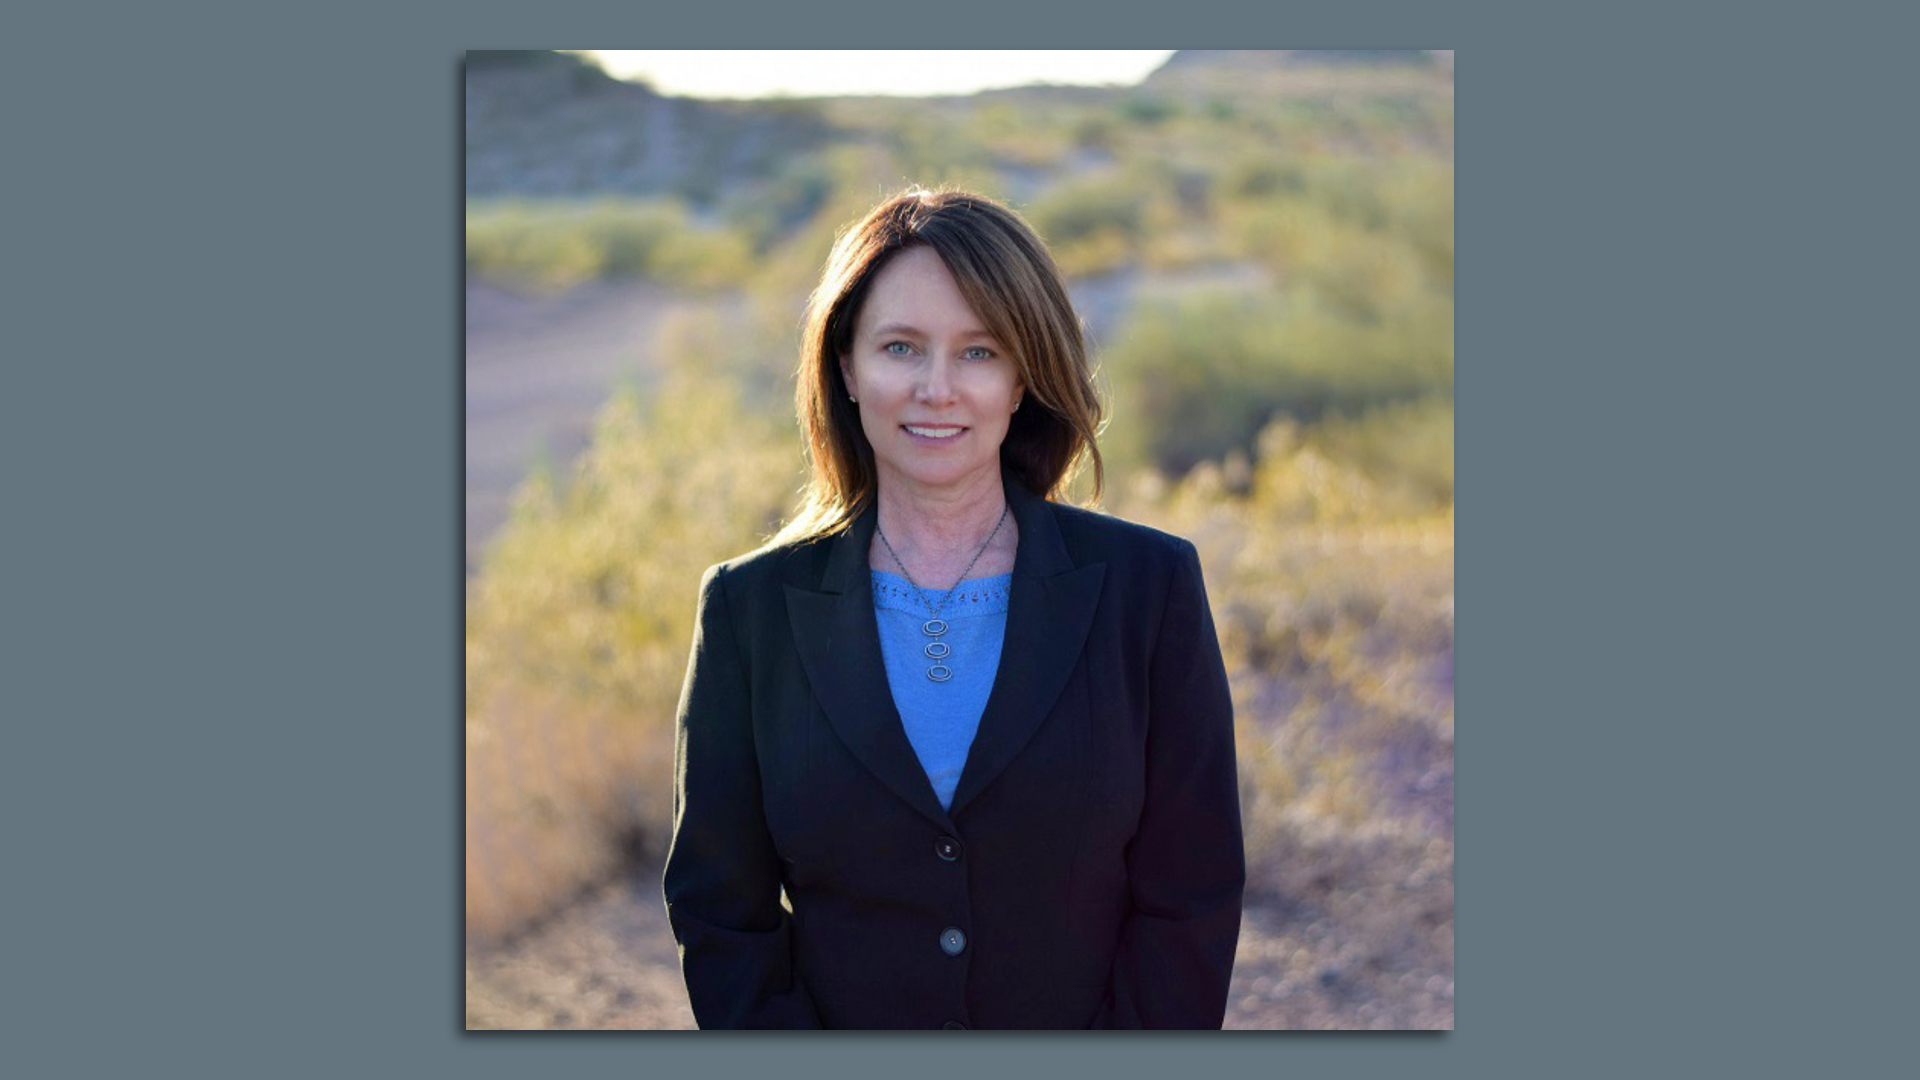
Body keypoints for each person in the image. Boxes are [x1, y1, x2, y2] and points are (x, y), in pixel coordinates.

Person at [662, 187, 1244, 1029]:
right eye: (901, 347)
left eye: (979, 352)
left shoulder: (1147, 590)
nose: (938, 388)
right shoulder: (748, 613)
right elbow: (721, 914)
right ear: (847, 370)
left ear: (1022, 380)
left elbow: (1191, 894)